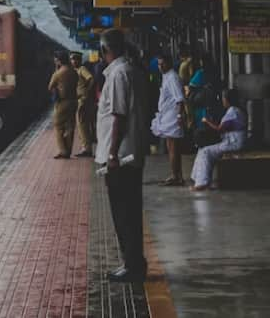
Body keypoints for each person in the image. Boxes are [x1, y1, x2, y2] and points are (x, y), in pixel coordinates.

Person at [95, 29, 148, 283]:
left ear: (106, 50)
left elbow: (118, 116)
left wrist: (113, 153)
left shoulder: (118, 75)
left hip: (121, 156)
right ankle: (136, 262)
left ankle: (132, 265)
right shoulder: (132, 71)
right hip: (132, 152)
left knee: (123, 211)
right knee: (131, 210)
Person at [190, 89, 247, 191]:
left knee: (206, 152)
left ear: (227, 100)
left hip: (233, 143)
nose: (222, 101)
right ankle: (196, 178)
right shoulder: (235, 110)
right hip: (231, 141)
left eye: (223, 98)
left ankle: (202, 183)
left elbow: (219, 129)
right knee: (202, 149)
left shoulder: (233, 111)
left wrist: (207, 121)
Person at [151, 54, 186, 185]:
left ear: (169, 63)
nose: (160, 67)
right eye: (159, 64)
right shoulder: (166, 76)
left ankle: (175, 176)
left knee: (173, 148)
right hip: (167, 115)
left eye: (163, 64)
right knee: (172, 147)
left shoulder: (172, 77)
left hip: (172, 116)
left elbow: (180, 99)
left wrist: (179, 116)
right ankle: (178, 176)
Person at [47, 50, 78, 159]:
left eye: (56, 60)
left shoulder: (58, 73)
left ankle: (63, 151)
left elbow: (50, 87)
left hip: (62, 103)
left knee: (58, 126)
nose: (55, 61)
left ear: (59, 60)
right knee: (70, 126)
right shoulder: (74, 71)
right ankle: (68, 151)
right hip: (74, 101)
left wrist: (56, 70)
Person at [71, 52, 94, 157]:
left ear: (79, 60)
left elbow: (91, 79)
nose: (73, 61)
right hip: (78, 100)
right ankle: (85, 147)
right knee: (80, 124)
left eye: (75, 59)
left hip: (82, 99)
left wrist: (87, 91)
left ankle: (87, 149)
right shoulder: (75, 70)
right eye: (72, 59)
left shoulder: (82, 69)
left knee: (82, 124)